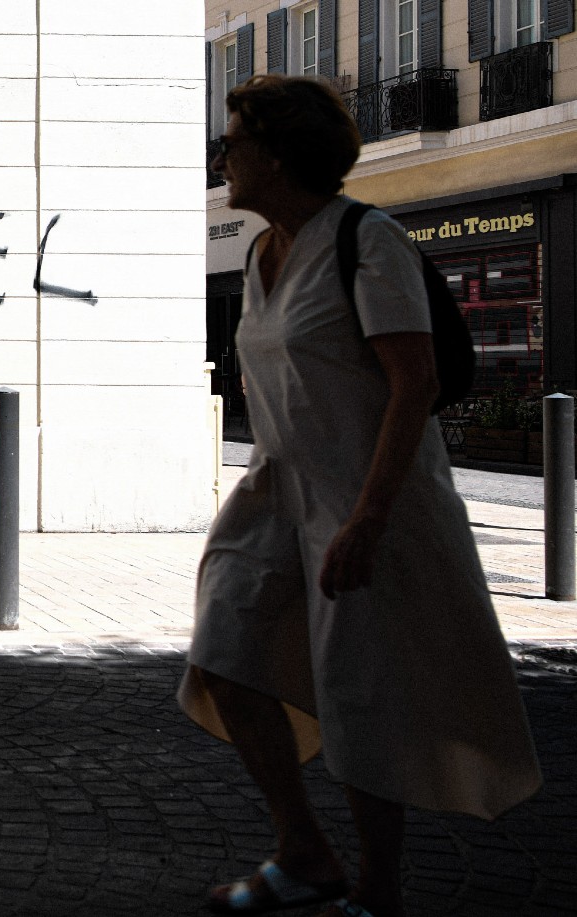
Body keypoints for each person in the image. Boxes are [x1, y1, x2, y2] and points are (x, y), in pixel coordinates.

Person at [182, 75, 541, 917]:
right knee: (224, 651)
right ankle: (303, 847)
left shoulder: (366, 241)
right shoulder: (259, 252)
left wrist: (370, 517)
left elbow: (412, 383)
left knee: (361, 690)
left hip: (370, 494)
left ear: (275, 152)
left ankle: (377, 889)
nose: (221, 154)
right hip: (277, 490)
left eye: (232, 139)